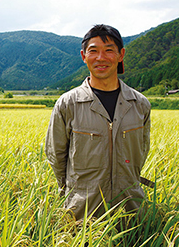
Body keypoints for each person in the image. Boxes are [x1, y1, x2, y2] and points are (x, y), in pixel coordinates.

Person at [45, 24, 152, 220]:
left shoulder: (140, 104)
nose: (101, 58)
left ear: (121, 55)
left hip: (130, 210)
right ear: (83, 56)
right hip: (82, 213)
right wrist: (71, 190)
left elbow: (141, 153)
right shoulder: (68, 104)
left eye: (109, 50)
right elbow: (56, 156)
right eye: (93, 51)